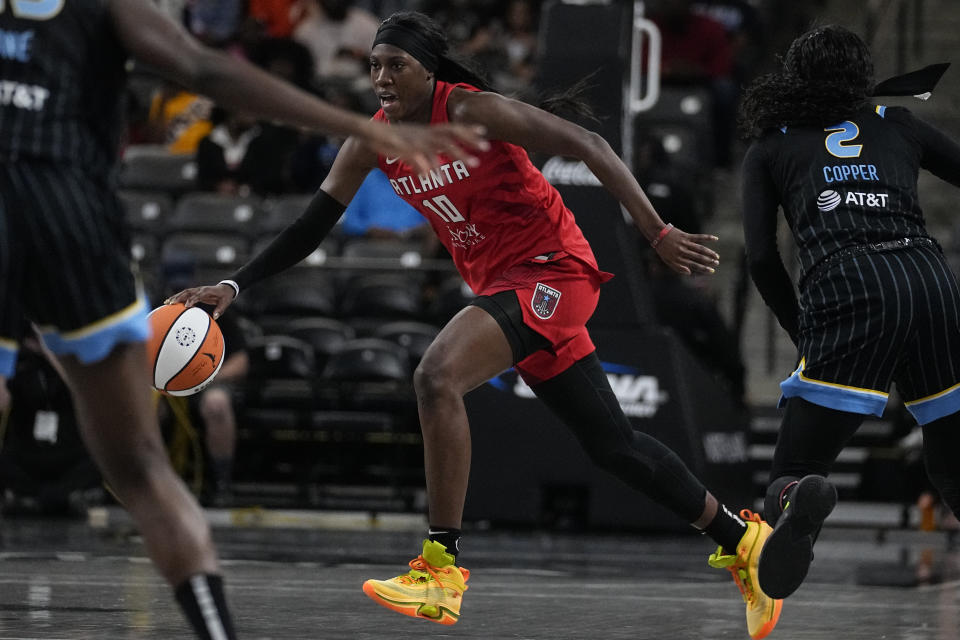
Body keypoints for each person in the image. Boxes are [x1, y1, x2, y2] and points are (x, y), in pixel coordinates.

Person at [171, 11, 784, 639]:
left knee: (436, 375)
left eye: (396, 65)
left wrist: (656, 232)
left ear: (428, 70)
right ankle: (744, 542)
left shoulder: (469, 110)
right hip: (509, 287)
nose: (381, 76)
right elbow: (309, 227)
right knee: (615, 448)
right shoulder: (372, 138)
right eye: (375, 64)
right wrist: (234, 283)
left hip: (555, 271)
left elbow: (591, 146)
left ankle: (440, 569)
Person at [0, 1, 484, 637]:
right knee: (141, 469)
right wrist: (360, 128)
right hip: (69, 211)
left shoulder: (477, 107)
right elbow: (204, 68)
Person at [738, 24, 960, 601]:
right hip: (929, 278)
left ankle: (798, 497)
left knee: (797, 463)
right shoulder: (899, 123)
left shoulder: (771, 145)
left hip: (852, 283)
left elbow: (761, 259)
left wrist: (802, 330)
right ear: (861, 78)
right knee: (949, 455)